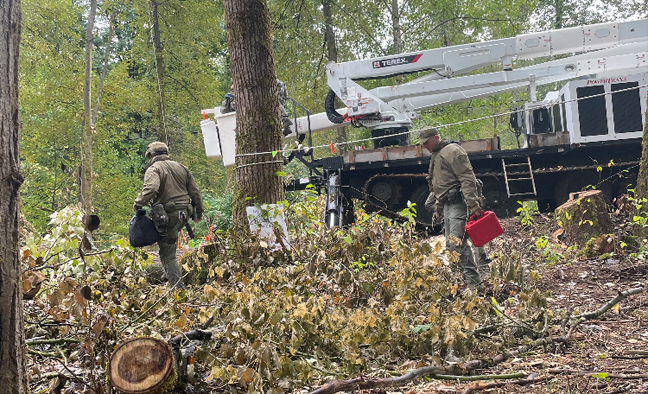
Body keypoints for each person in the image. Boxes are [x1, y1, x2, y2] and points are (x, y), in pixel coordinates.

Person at [419, 127, 484, 288]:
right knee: (450, 247)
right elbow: (440, 186)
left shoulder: (453, 151)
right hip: (447, 205)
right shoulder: (437, 154)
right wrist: (438, 209)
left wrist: (474, 205)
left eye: (427, 142)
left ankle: (475, 285)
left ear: (436, 137)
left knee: (457, 244)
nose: (425, 146)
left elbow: (467, 178)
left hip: (458, 204)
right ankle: (461, 282)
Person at [133, 142, 204, 288]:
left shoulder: (154, 169)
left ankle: (179, 291)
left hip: (168, 214)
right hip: (184, 212)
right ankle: (169, 277)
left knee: (167, 254)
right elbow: (195, 192)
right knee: (170, 244)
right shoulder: (181, 167)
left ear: (150, 155)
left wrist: (138, 203)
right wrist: (199, 212)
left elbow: (152, 189)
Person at [220, 80, 294, 136]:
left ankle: (285, 121)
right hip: (248, 125)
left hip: (267, 110)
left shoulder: (261, 89)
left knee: (272, 100)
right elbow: (225, 112)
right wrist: (226, 101)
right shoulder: (234, 100)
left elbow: (280, 97)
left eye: (234, 90)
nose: (233, 92)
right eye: (232, 90)